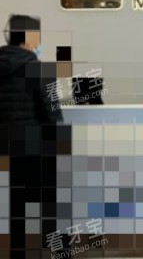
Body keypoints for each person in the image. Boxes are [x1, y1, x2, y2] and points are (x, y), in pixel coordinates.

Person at [0, 14, 63, 258]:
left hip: (6, 146)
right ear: (28, 39)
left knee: (16, 203)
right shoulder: (40, 69)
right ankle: (55, 250)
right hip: (35, 145)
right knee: (49, 202)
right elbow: (52, 112)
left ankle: (18, 251)